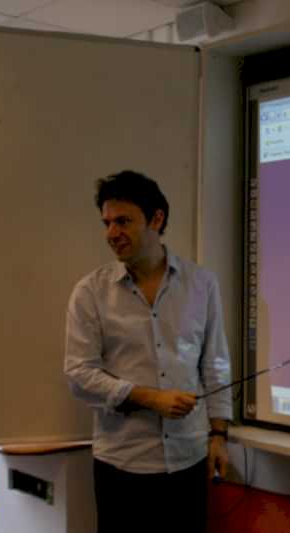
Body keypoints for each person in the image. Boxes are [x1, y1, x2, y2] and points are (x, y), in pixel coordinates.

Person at [64, 170, 232, 533]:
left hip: (188, 461)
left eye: (123, 221)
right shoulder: (90, 292)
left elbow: (216, 363)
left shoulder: (202, 283)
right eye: (107, 223)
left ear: (156, 219)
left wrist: (219, 434)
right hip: (122, 465)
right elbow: (79, 374)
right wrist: (149, 398)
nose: (111, 233)